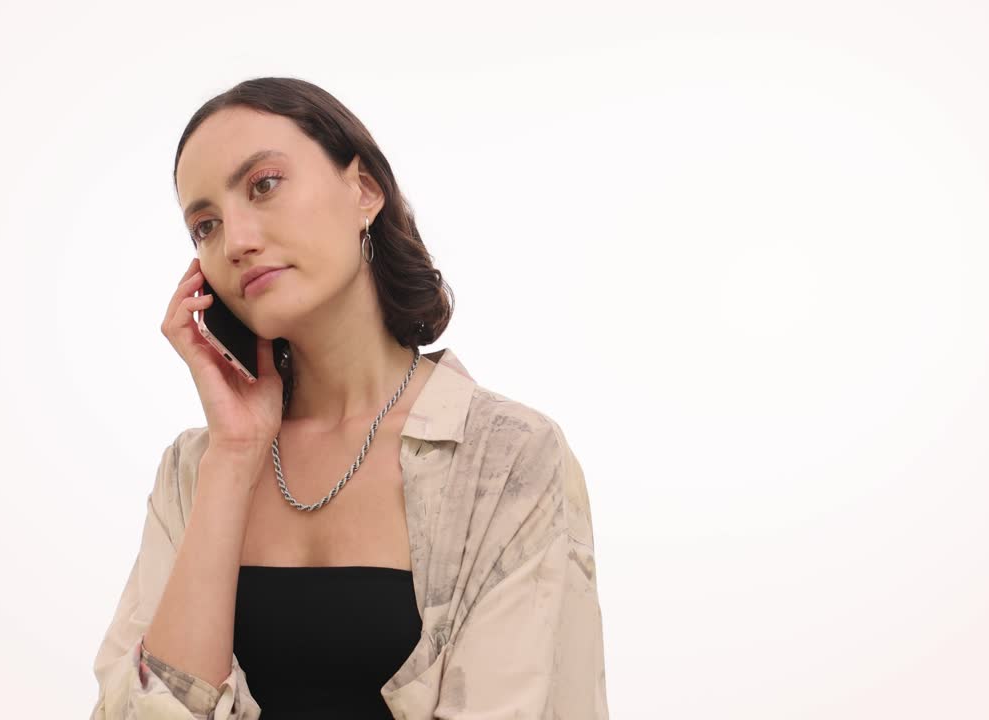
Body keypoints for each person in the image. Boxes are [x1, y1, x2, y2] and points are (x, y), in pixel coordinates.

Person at [88, 76, 608, 719]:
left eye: (264, 185)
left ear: (363, 191)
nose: (237, 242)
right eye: (205, 225)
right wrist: (235, 453)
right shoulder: (192, 473)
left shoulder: (505, 460)